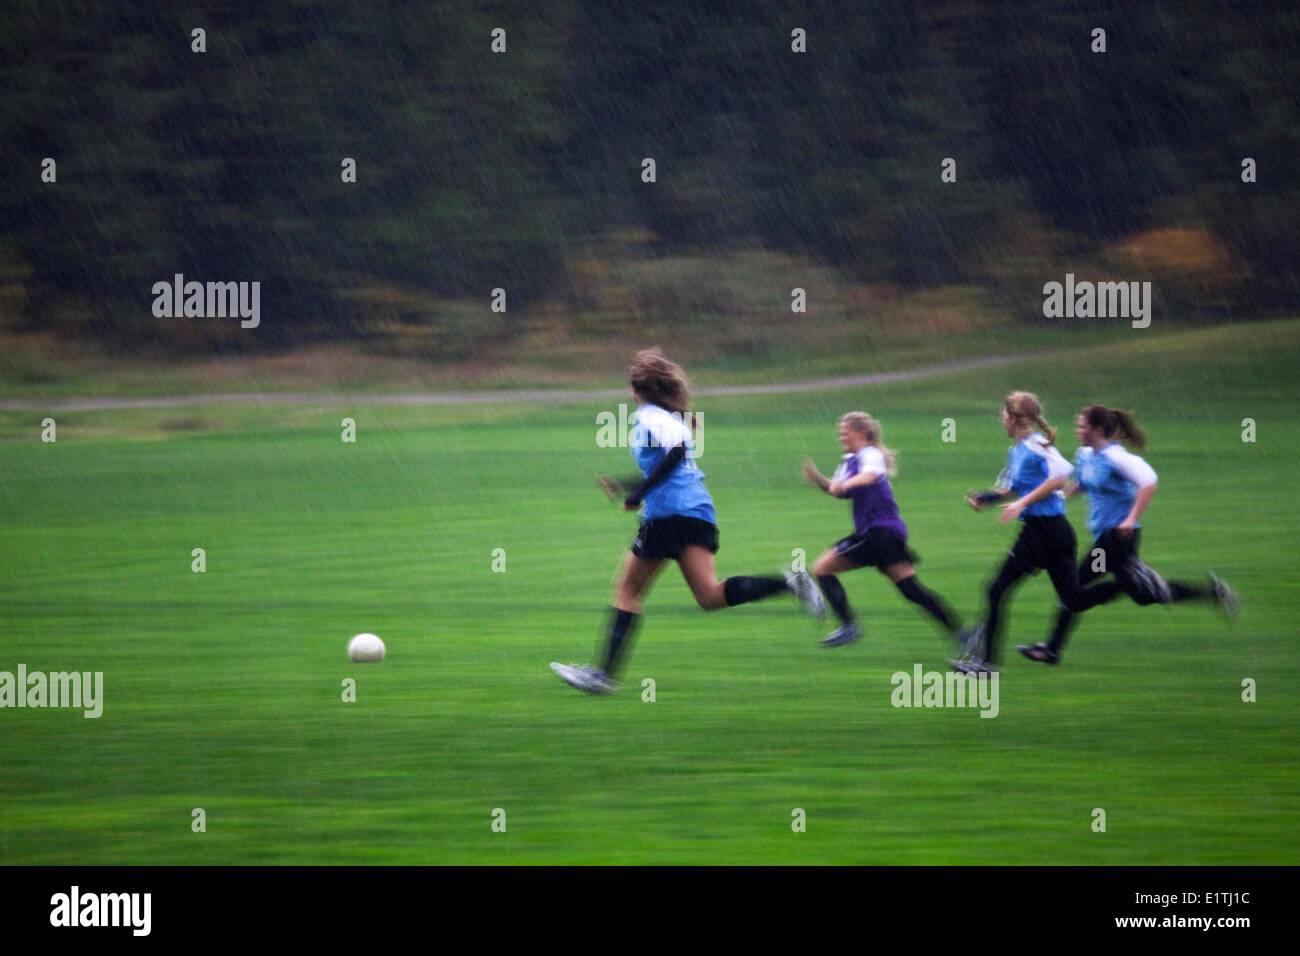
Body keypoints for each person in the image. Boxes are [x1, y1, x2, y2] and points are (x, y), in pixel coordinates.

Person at [551, 349, 824, 694]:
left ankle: (602, 675)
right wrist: (627, 485)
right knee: (709, 596)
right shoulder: (666, 417)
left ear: (636, 390)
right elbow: (668, 466)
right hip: (696, 512)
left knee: (626, 591)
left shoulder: (649, 415)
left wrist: (638, 495)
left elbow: (677, 454)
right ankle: (790, 583)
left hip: (667, 516)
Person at [1017, 405, 1239, 665]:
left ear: (1097, 429)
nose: (1077, 430)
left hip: (1116, 540)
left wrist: (1131, 518)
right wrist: (1060, 495)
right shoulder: (1086, 455)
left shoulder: (1118, 459)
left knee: (1074, 588)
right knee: (1145, 596)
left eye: (1082, 426)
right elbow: (1084, 484)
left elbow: (1148, 481)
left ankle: (1052, 650)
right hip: (1108, 539)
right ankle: (1212, 593)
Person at [954, 391, 1116, 673]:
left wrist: (1022, 504)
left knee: (995, 589)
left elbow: (1058, 479)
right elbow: (1017, 486)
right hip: (1054, 533)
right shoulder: (1017, 451)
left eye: (1003, 415)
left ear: (1015, 418)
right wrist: (986, 498)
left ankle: (987, 665)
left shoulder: (1037, 446)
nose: (1001, 421)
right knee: (1073, 598)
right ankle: (1126, 586)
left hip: (1043, 533)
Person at [801, 412, 960, 648]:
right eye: (840, 434)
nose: (841, 437)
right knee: (910, 589)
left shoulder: (870, 455)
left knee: (822, 568)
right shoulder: (850, 461)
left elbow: (868, 477)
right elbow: (838, 492)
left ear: (861, 433)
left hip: (878, 533)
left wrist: (842, 483)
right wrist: (820, 480)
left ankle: (849, 626)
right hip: (886, 533)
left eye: (845, 433)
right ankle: (962, 632)